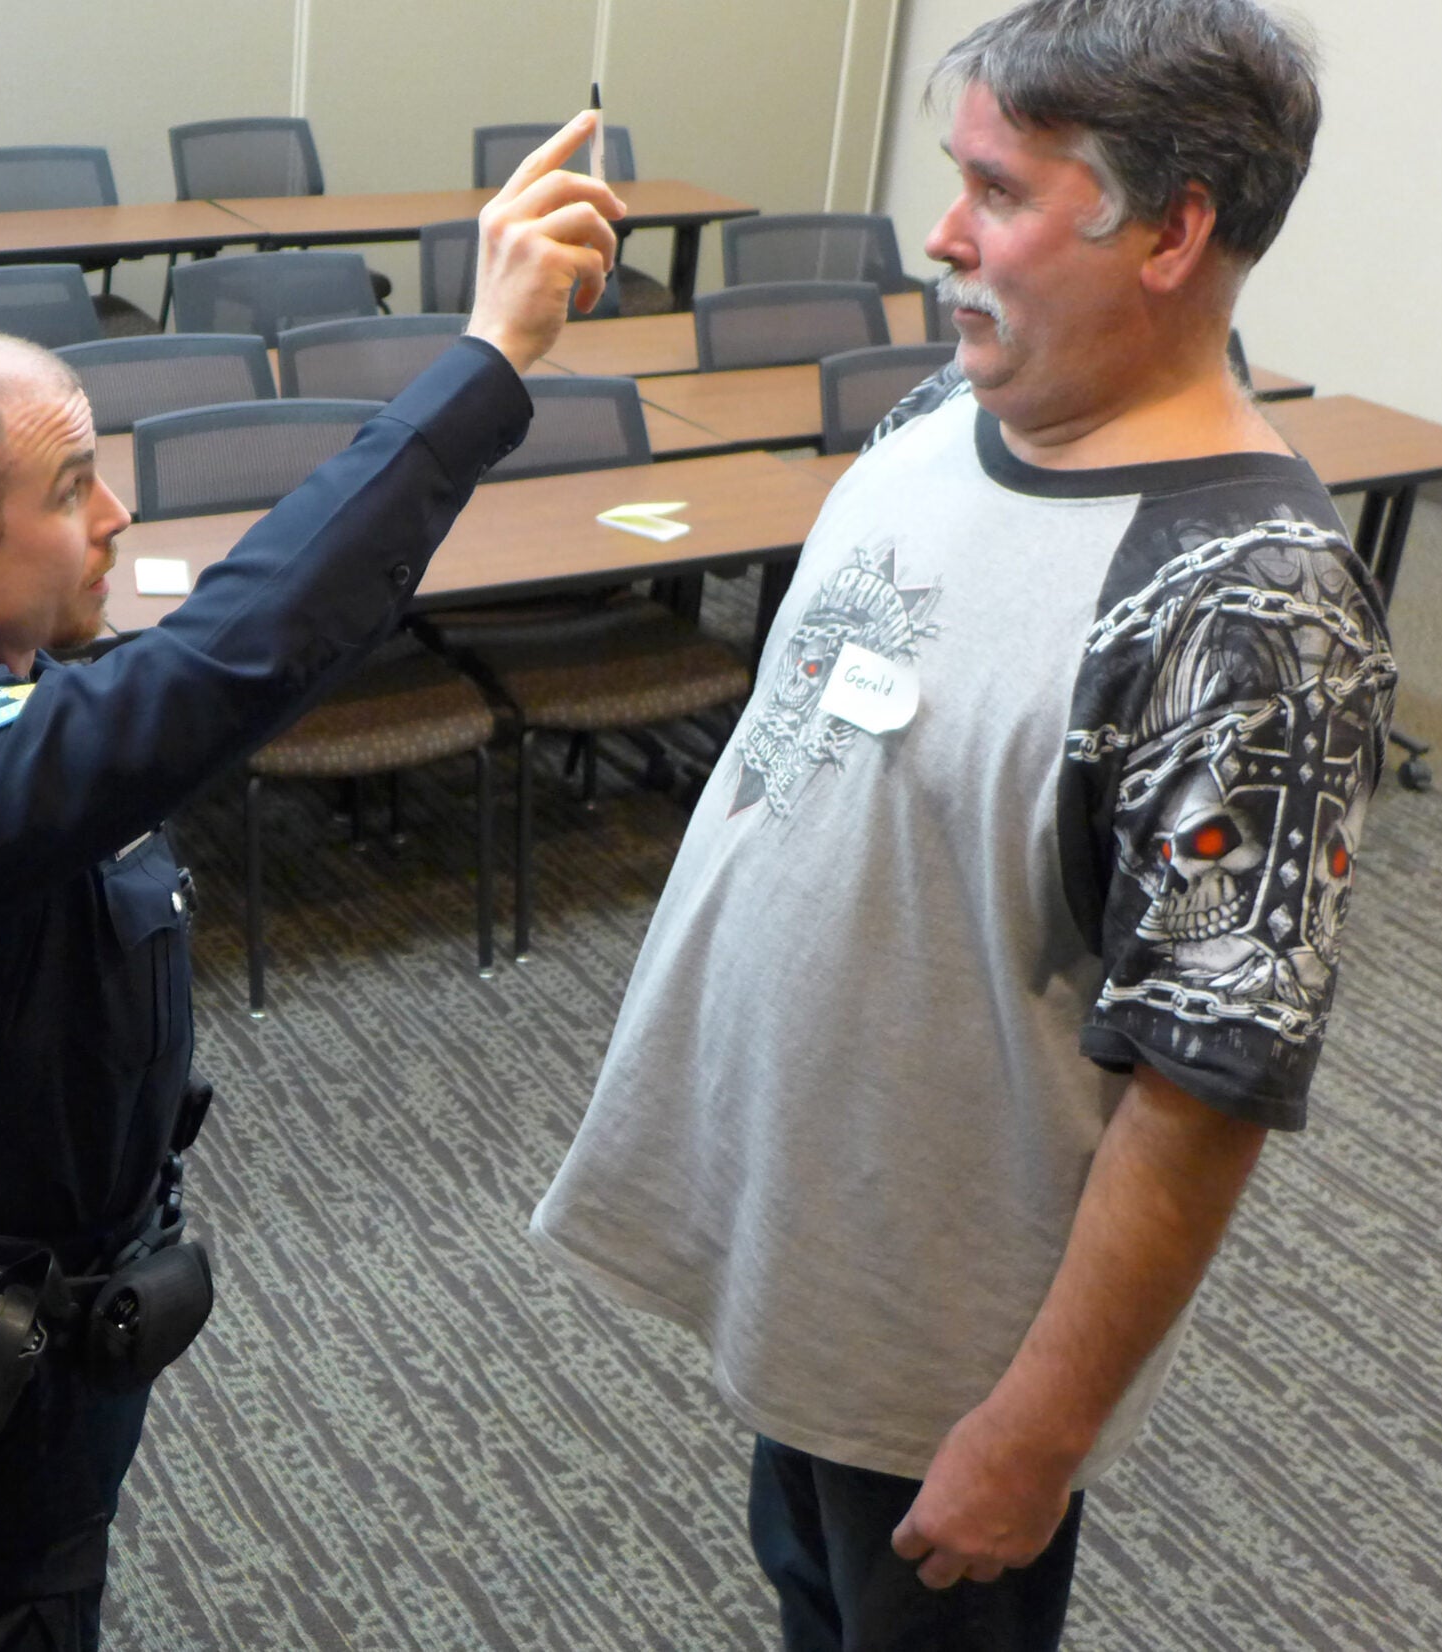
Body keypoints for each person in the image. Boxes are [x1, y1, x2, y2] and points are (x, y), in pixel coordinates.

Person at [531, 4, 1393, 1648]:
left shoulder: (1249, 609)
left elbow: (1204, 1082)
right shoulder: (947, 412)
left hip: (950, 1357)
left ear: (1171, 229)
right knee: (808, 1594)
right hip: (817, 1255)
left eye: (995, 190)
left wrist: (1037, 1434)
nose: (940, 233)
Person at [0, 113, 621, 1650]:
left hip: (61, 1309)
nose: (117, 517)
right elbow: (233, 660)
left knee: (47, 1588)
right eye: (73, 486)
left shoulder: (4, 693)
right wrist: (488, 358)